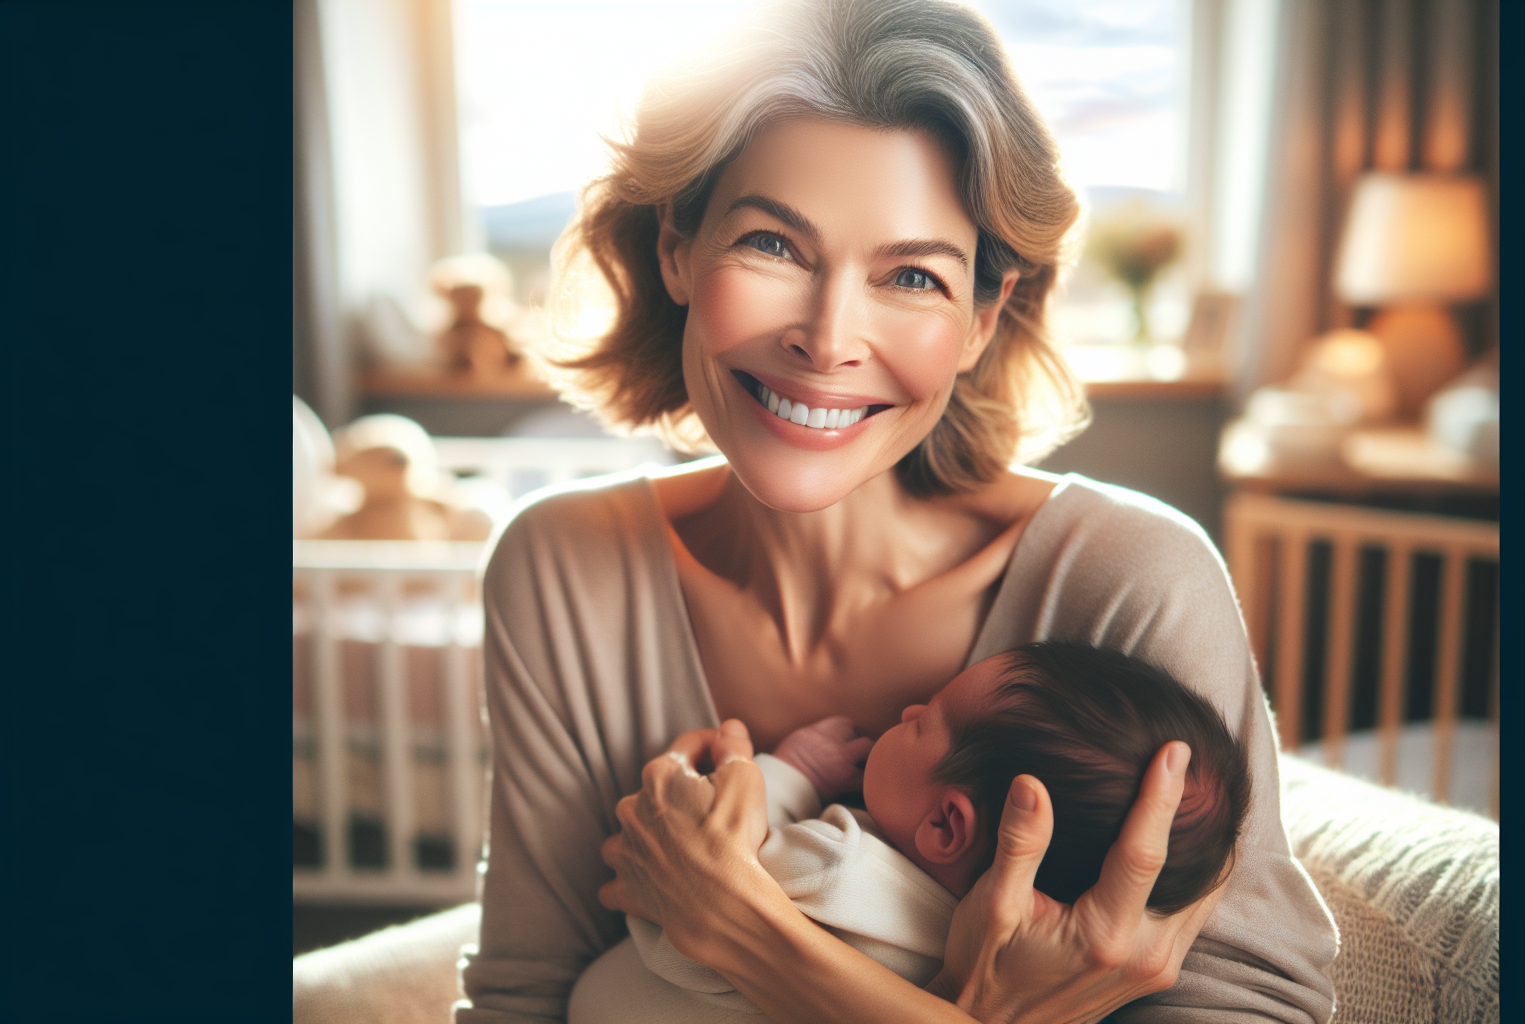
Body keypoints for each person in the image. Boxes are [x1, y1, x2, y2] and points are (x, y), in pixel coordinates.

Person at [292, 1, 1340, 1021]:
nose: (829, 338)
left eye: (914, 276)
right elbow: (521, 1002)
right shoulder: (561, 569)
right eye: (774, 246)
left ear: (985, 315)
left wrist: (739, 926)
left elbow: (1257, 1004)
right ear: (675, 247)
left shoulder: (1132, 578)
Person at [567, 642, 1252, 1023]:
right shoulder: (1020, 959)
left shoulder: (836, 865)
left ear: (947, 825)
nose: (910, 706)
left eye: (924, 723)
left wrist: (791, 770)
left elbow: (707, 864)